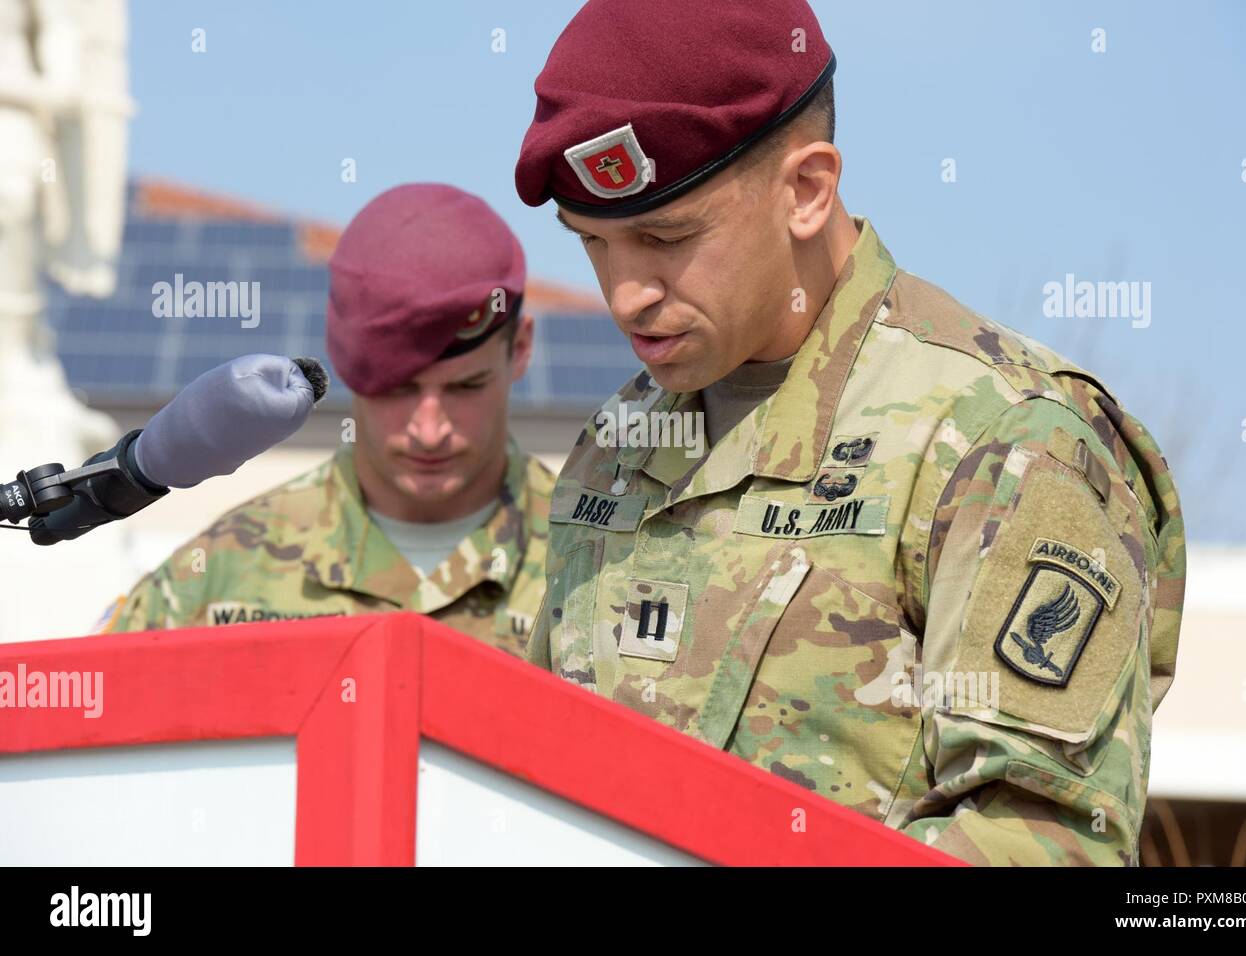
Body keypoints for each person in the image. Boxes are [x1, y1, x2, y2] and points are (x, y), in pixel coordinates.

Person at [514, 0, 1185, 863]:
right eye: (593, 244)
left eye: (663, 237)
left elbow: (1044, 838)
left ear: (805, 190)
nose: (624, 295)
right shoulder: (617, 447)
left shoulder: (1003, 438)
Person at [101, 184, 555, 657]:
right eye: (396, 389)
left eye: (466, 386)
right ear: (342, 359)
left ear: (520, 348)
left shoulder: (599, 567)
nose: (429, 429)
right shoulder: (224, 568)